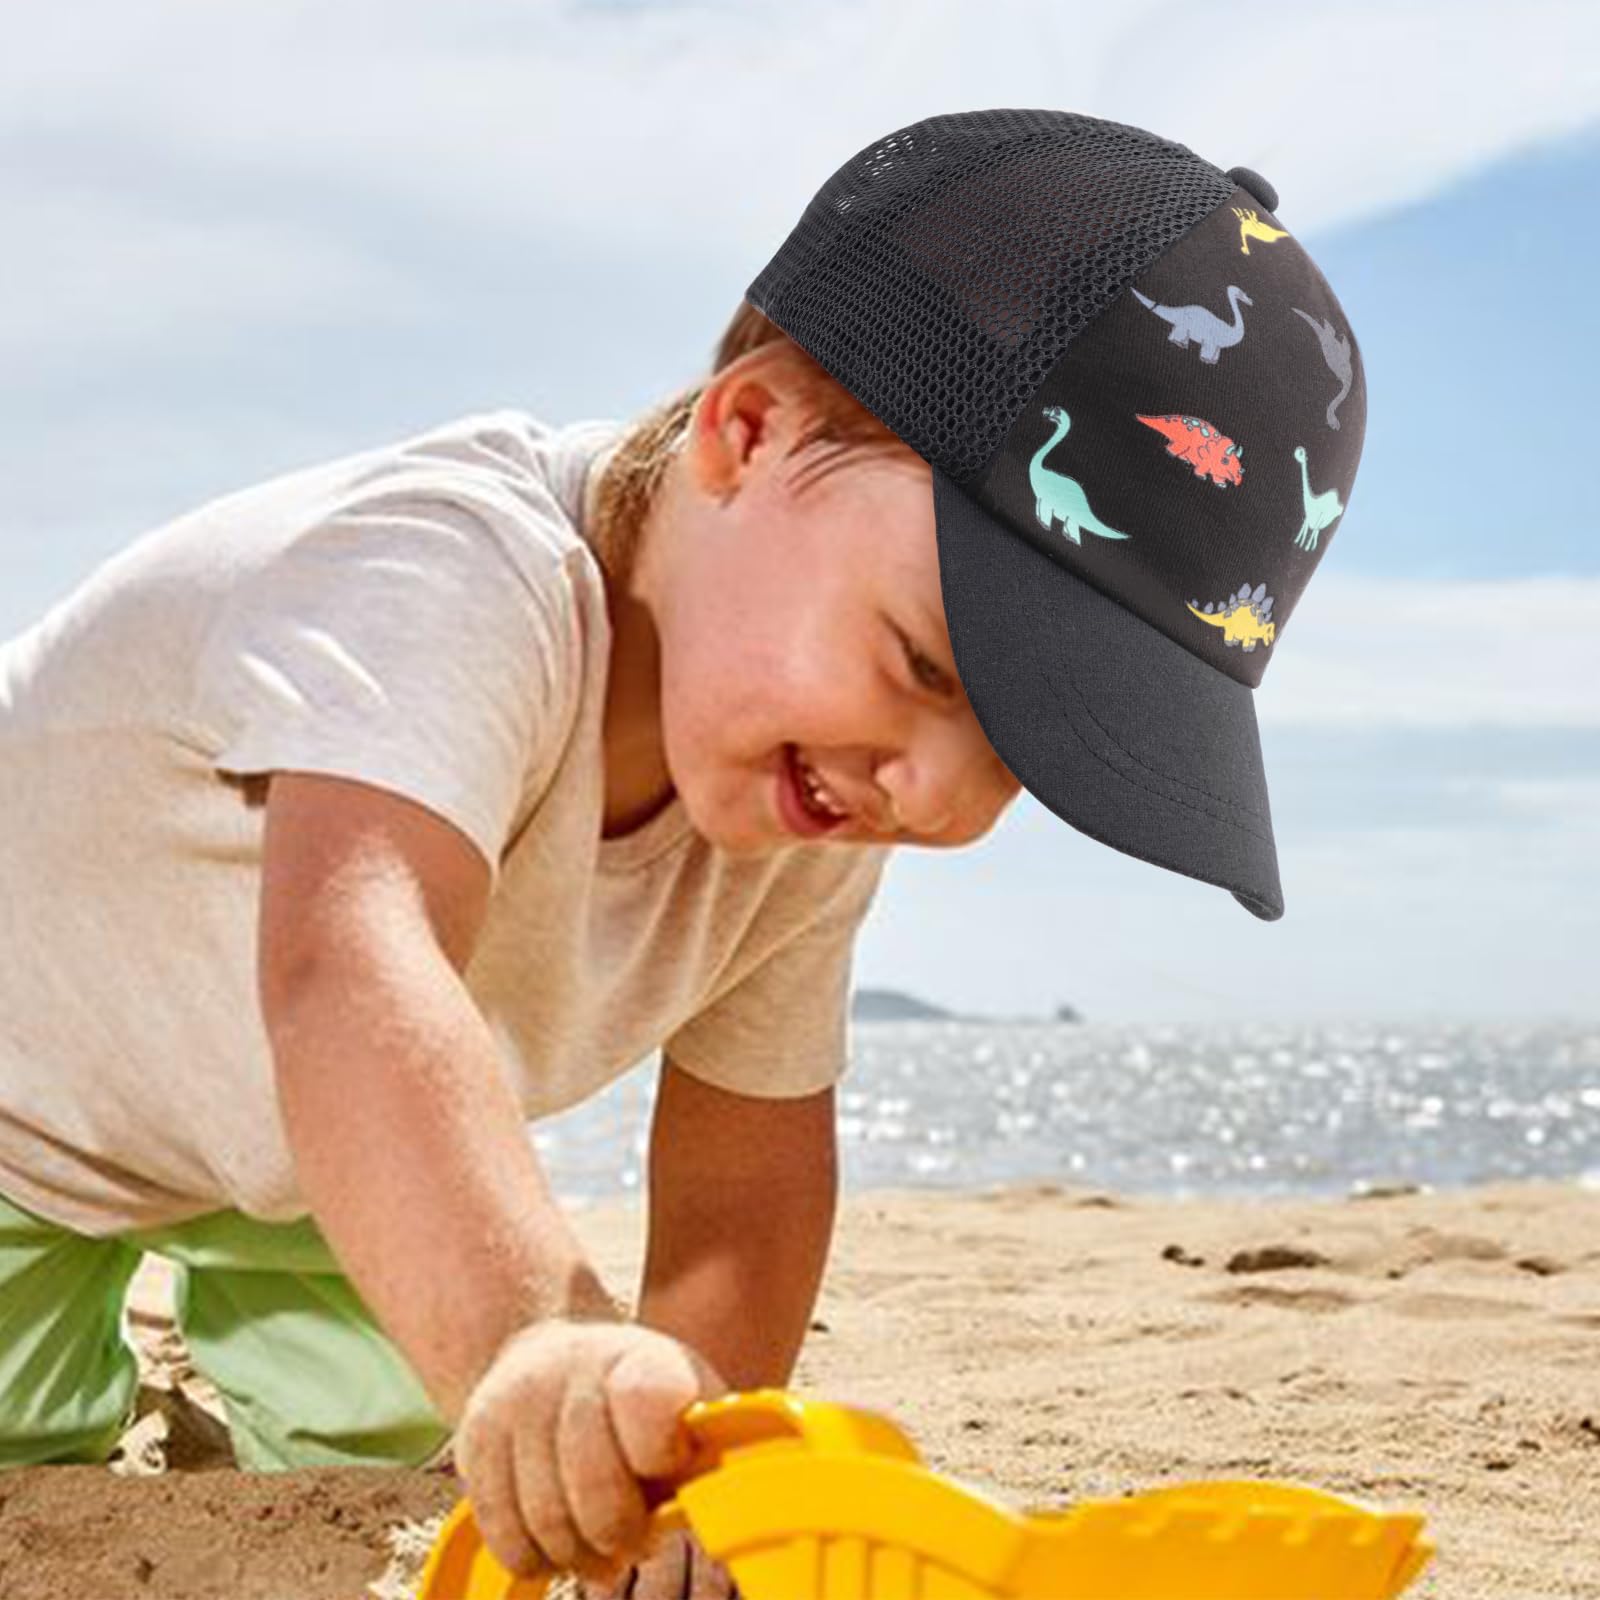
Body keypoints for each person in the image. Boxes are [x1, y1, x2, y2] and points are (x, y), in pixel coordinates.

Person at [0, 108, 1364, 1600]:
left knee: (457, 1462)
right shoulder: (445, 575)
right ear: (747, 433)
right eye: (925, 663)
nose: (936, 796)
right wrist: (538, 1336)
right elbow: (348, 968)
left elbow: (748, 1164)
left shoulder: (817, 786)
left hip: (305, 1171)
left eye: (1026, 758)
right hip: (27, 1109)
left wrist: (682, 1466)